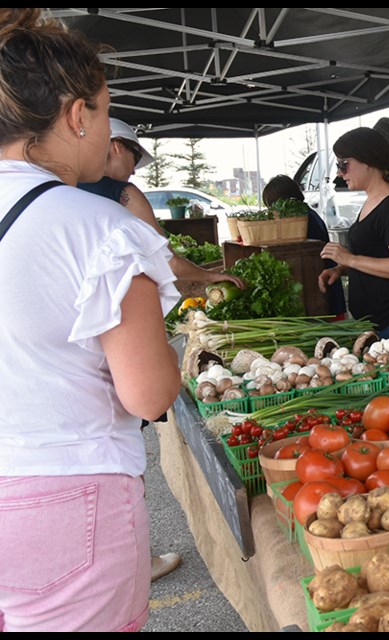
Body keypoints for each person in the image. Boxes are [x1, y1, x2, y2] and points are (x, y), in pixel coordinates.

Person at [0, 8, 181, 632]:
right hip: (64, 496)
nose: (108, 133)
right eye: (105, 113)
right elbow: (150, 394)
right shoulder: (101, 229)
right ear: (77, 114)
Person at [77, 118, 206, 583]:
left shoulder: (42, 203)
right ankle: (133, 560)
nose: (133, 169)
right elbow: (150, 395)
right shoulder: (118, 203)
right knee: (117, 461)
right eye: (133, 156)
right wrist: (209, 278)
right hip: (100, 386)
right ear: (113, 145)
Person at [78, 118, 245, 292]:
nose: (134, 170)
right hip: (115, 301)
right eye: (135, 158)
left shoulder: (67, 189)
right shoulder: (125, 193)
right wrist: (212, 276)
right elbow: (169, 263)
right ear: (117, 147)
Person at [318, 127, 389, 360]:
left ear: (366, 161)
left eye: (343, 164)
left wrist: (351, 259)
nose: (339, 173)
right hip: (378, 325)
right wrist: (341, 268)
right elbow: (377, 255)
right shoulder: (372, 201)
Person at [262, 174, 347, 318]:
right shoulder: (307, 214)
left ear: (283, 202)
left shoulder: (300, 219)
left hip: (321, 286)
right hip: (323, 284)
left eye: (272, 206)